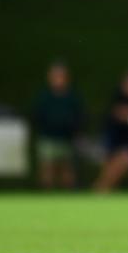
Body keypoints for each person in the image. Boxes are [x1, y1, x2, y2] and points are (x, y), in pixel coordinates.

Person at [32, 61, 84, 189]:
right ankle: (46, 196)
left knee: (67, 170)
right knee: (47, 168)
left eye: (61, 76)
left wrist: (74, 130)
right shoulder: (44, 97)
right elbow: (37, 116)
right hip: (48, 137)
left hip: (67, 139)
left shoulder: (72, 97)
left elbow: (80, 117)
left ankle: (68, 198)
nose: (58, 79)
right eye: (56, 76)